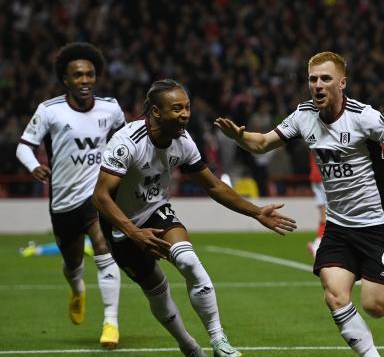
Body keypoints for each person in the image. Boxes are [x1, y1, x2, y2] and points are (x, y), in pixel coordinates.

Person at [215, 51, 384, 356]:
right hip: (338, 224)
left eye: (326, 79)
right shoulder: (303, 116)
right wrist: (239, 138)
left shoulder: (365, 117)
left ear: (342, 82)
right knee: (335, 296)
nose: (318, 85)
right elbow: (261, 144)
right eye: (313, 79)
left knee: (374, 307)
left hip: (376, 221)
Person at [92, 79, 297, 357]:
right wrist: (132, 232)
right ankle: (187, 345)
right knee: (156, 289)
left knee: (189, 261)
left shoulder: (183, 141)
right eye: (176, 108)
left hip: (155, 211)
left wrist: (257, 211)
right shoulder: (127, 143)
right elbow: (101, 197)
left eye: (187, 107)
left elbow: (213, 185)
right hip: (120, 226)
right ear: (156, 112)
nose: (185, 114)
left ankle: (219, 341)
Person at [16, 42, 125, 347]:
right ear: (65, 79)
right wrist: (34, 166)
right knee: (73, 263)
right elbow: (23, 146)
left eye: (90, 74)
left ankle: (110, 323)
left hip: (97, 197)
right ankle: (77, 289)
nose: (85, 80)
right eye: (78, 75)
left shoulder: (111, 108)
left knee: (104, 248)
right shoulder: (49, 111)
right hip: (63, 202)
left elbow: (123, 140)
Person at [307, 152, 327, 257]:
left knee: (323, 215)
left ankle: (317, 243)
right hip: (325, 177)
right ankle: (318, 245)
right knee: (330, 215)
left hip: (315, 177)